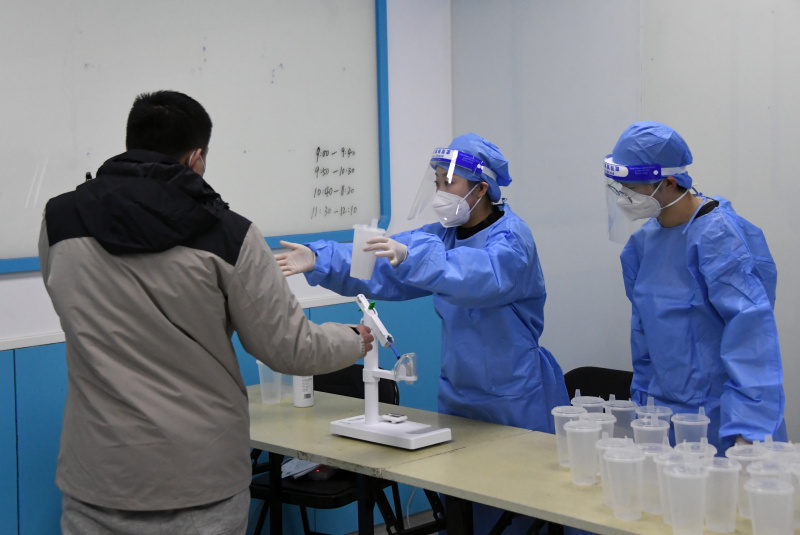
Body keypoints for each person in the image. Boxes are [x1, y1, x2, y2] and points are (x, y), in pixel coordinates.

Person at [38, 90, 373, 535]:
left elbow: (68, 302)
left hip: (98, 476)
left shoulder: (60, 220)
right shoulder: (230, 235)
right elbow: (290, 348)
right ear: (195, 158)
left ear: (130, 143)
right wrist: (353, 339)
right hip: (199, 480)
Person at [278, 133, 569, 432]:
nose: (441, 191)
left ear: (482, 188)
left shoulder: (512, 238)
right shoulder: (442, 236)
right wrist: (321, 259)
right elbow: (382, 264)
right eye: (437, 182)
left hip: (513, 392)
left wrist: (412, 257)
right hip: (459, 389)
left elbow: (480, 276)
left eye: (449, 182)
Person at [604, 120, 786, 452]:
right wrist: (643, 408)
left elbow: (752, 335)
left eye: (631, 188)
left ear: (669, 183)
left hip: (721, 417)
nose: (623, 197)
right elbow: (644, 337)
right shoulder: (642, 246)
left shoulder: (718, 238)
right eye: (619, 187)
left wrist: (749, 430)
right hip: (662, 415)